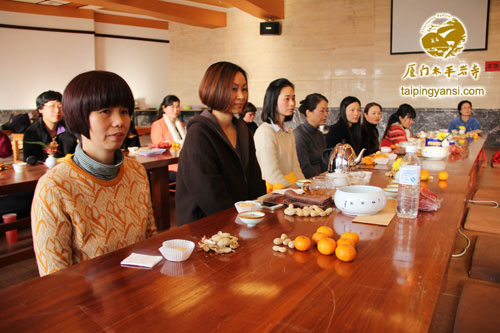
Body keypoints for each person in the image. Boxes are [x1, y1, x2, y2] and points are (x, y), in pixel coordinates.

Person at [31, 71, 157, 276]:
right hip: (87, 305)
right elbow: (55, 281)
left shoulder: (137, 172)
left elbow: (150, 241)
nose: (119, 121)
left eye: (124, 111)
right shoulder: (54, 187)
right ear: (78, 116)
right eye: (106, 111)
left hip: (140, 292)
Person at [175, 62, 266, 225]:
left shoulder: (243, 130)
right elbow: (208, 193)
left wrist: (256, 214)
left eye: (244, 89)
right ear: (214, 89)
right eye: (233, 89)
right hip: (204, 226)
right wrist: (236, 223)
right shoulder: (199, 133)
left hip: (240, 221)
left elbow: (255, 179)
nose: (241, 96)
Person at [254, 78, 305, 192]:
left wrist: (305, 188)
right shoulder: (265, 132)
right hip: (275, 193)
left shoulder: (288, 132)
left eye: (293, 98)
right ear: (273, 100)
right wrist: (295, 192)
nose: (292, 103)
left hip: (291, 190)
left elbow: (296, 168)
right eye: (287, 99)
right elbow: (272, 174)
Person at [23, 90, 77, 162]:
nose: (57, 110)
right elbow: (30, 160)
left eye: (60, 106)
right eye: (52, 106)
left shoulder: (70, 129)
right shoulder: (32, 132)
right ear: (40, 109)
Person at [293, 93, 329, 179]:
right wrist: (322, 179)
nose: (326, 115)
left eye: (326, 111)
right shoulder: (299, 135)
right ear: (309, 113)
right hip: (308, 182)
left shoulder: (320, 135)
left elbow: (324, 162)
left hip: (321, 180)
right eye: (322, 111)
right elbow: (304, 168)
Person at [150, 95, 185, 181]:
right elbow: (159, 147)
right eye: (172, 107)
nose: (176, 110)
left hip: (183, 162)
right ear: (164, 108)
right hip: (168, 166)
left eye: (177, 107)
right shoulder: (157, 125)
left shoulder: (181, 124)